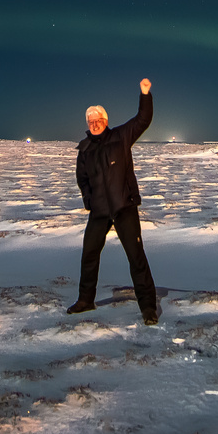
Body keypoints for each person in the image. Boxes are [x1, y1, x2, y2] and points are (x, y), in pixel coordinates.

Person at [67, 77, 160, 324]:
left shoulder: (121, 136)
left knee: (136, 256)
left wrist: (145, 93)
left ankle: (148, 307)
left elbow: (143, 119)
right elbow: (82, 178)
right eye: (91, 121)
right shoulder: (85, 148)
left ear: (106, 121)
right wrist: (89, 200)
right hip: (99, 211)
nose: (95, 124)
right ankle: (86, 300)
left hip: (123, 207)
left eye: (98, 120)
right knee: (89, 254)